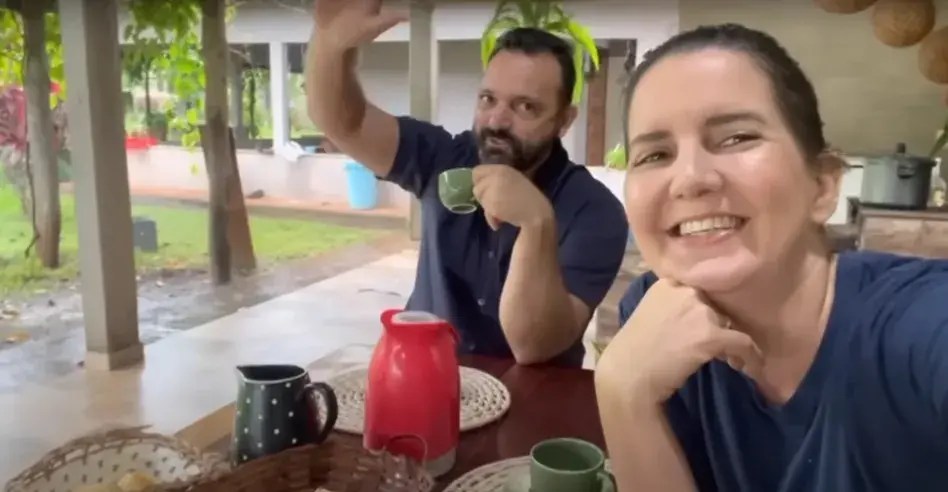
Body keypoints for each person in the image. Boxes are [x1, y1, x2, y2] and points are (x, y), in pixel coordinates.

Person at [595, 23, 948, 491]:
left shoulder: (916, 324)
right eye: (655, 155)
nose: (690, 179)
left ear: (822, 186)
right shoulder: (652, 317)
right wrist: (622, 395)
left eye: (737, 138)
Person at [305, 0, 628, 366]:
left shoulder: (595, 212)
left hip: (532, 392)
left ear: (564, 121)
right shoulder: (444, 158)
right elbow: (346, 125)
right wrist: (332, 46)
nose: (497, 121)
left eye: (525, 107)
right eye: (488, 99)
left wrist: (537, 224)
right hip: (425, 372)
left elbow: (534, 346)